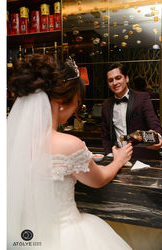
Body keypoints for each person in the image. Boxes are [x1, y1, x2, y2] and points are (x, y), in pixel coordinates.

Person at [7, 54, 133, 250]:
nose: (77, 108)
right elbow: (98, 179)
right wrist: (118, 160)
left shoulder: (10, 141)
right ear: (62, 102)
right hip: (65, 235)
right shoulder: (69, 144)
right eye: (77, 100)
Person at [101, 62, 162, 160]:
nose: (115, 83)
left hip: (144, 159)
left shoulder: (142, 98)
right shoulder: (106, 105)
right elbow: (106, 136)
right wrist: (110, 156)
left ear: (126, 78)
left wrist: (157, 137)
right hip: (119, 159)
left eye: (118, 78)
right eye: (110, 80)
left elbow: (154, 123)